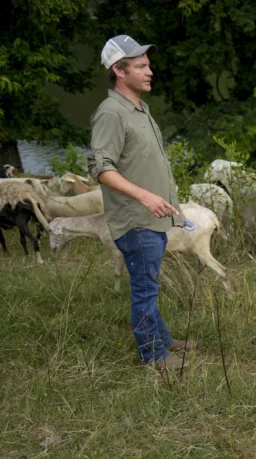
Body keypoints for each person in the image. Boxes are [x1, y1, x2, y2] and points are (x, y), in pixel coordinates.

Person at [88, 35, 191, 371]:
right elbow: (101, 169)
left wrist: (172, 204)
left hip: (154, 218)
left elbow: (148, 164)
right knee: (145, 291)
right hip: (136, 220)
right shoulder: (111, 114)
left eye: (149, 65)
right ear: (119, 70)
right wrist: (146, 197)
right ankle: (154, 357)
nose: (150, 72)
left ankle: (163, 339)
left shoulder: (139, 109)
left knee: (151, 284)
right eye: (141, 66)